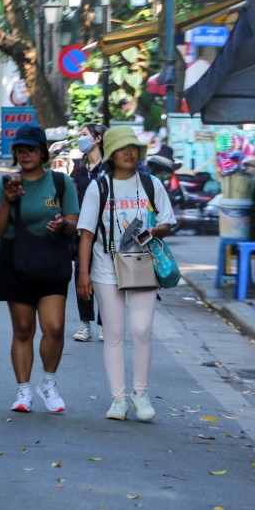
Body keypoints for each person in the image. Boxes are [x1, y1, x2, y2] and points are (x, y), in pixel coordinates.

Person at [76, 127, 176, 422]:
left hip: (142, 264)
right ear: (111, 154)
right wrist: (83, 274)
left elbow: (168, 223)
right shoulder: (99, 186)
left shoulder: (150, 183)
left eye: (132, 147)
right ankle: (118, 398)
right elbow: (85, 233)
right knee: (115, 333)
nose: (129, 152)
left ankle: (140, 394)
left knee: (143, 329)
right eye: (122, 148)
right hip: (105, 266)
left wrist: (156, 230)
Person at [0, 124, 80, 414]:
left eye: (31, 149)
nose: (25, 154)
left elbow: (74, 223)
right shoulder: (6, 183)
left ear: (43, 152)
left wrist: (62, 224)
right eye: (20, 149)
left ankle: (48, 384)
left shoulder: (61, 183)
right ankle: (23, 391)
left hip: (51, 260)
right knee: (23, 329)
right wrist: (7, 200)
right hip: (15, 261)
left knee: (54, 327)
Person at [69, 123, 107, 342]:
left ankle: (105, 324)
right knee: (81, 274)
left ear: (97, 139)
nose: (80, 139)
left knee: (106, 277)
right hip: (83, 231)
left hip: (107, 231)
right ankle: (85, 324)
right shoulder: (78, 168)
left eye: (84, 135)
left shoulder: (109, 168)